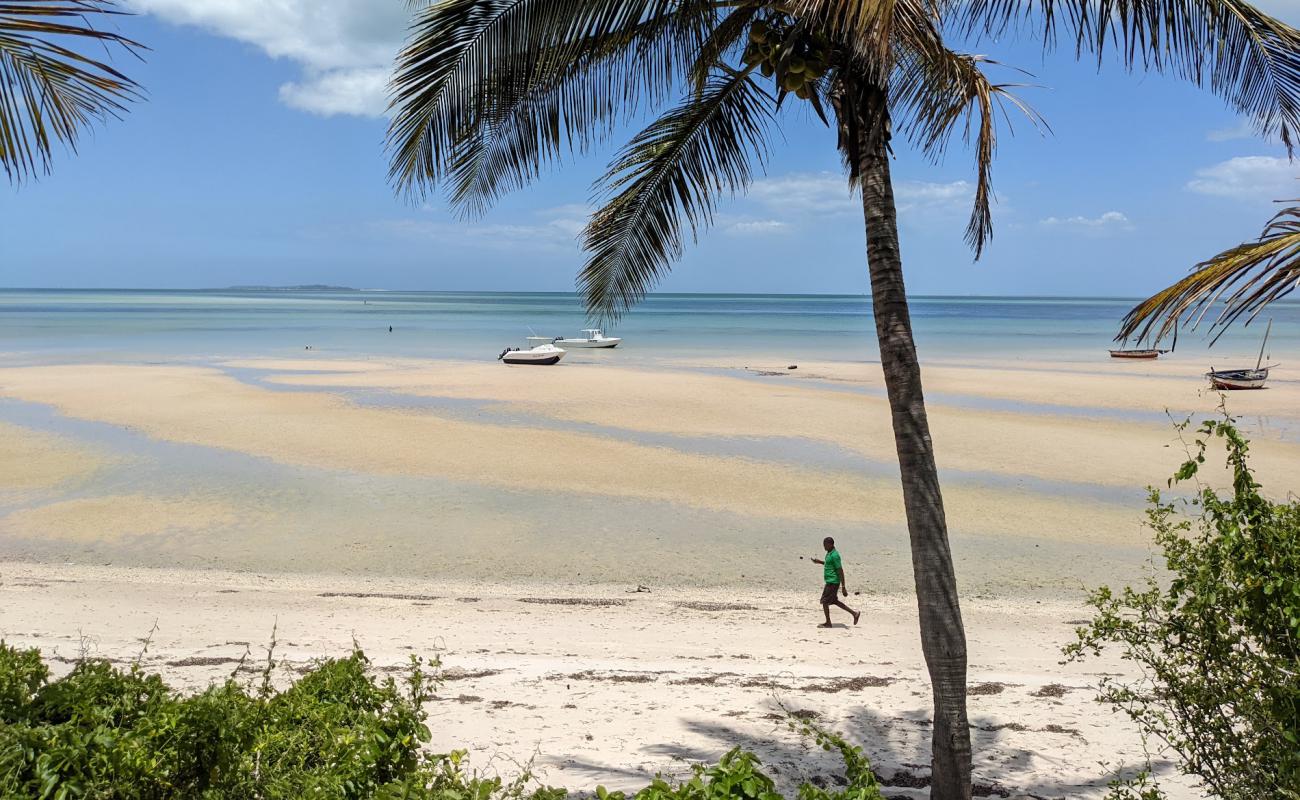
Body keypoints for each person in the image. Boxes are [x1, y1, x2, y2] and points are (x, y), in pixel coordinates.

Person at [811, 536, 860, 628]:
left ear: (830, 544)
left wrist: (843, 587)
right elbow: (829, 564)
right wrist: (819, 562)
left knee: (824, 602)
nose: (824, 547)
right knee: (834, 601)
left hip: (832, 582)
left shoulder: (835, 555)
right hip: (831, 581)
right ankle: (854, 614)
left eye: (825, 545)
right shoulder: (829, 553)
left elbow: (840, 570)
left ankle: (828, 623)